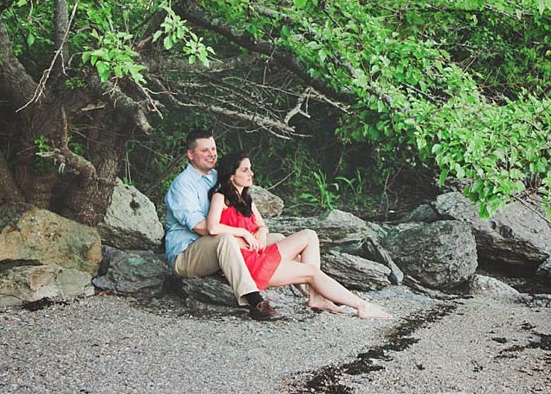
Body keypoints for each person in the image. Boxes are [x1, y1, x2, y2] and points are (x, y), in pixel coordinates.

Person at [205, 153, 393, 320]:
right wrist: (244, 232)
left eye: (251, 169)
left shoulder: (246, 199)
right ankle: (362, 306)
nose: (251, 173)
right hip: (248, 265)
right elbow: (212, 227)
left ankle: (316, 295)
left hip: (259, 254)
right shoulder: (220, 198)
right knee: (311, 272)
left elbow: (262, 225)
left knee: (309, 235)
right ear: (231, 175)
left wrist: (261, 231)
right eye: (245, 170)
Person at [164, 130, 283, 320]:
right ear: (190, 155)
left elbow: (245, 208)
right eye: (205, 150)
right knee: (225, 239)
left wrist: (261, 230)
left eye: (214, 148)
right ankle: (255, 301)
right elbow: (201, 227)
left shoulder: (220, 177)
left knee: (277, 240)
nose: (212, 154)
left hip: (220, 244)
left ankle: (307, 287)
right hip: (187, 254)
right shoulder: (182, 185)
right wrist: (241, 234)